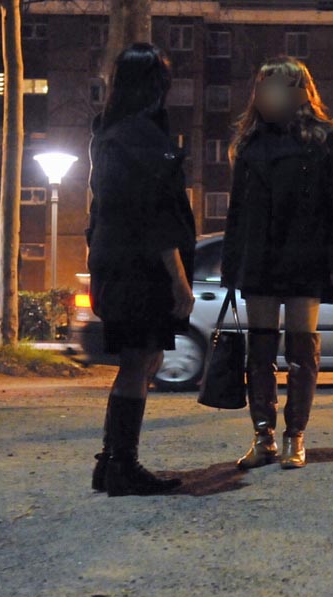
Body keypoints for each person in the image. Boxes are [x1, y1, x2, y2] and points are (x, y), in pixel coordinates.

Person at [221, 56, 333, 470]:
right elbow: (238, 211)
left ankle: (295, 435)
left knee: (302, 350)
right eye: (264, 87)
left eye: (277, 86)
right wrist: (231, 266)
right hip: (260, 255)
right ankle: (263, 437)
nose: (269, 96)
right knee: (259, 350)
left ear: (299, 92)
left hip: (305, 254)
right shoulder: (249, 143)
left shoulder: (329, 140)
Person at [86, 43, 196, 496]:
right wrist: (179, 282)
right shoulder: (142, 139)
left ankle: (112, 461)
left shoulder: (109, 134)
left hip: (115, 262)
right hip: (140, 269)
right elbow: (156, 219)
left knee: (142, 359)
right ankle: (122, 466)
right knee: (139, 360)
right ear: (156, 87)